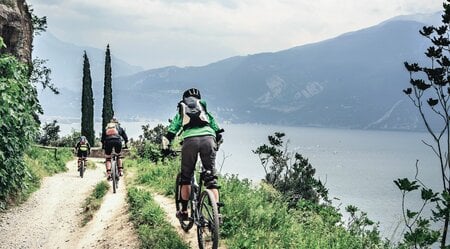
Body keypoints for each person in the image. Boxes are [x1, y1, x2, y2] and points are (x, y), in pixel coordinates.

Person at [162, 88, 223, 221]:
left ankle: (184, 212)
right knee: (211, 179)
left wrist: (166, 149)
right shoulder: (204, 111)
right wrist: (216, 143)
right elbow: (218, 131)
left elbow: (171, 132)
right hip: (208, 139)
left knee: (186, 178)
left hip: (190, 141)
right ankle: (216, 214)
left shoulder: (182, 112)